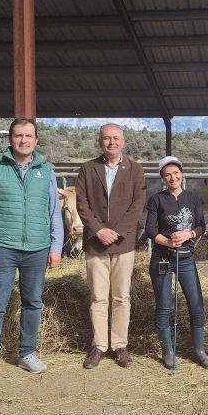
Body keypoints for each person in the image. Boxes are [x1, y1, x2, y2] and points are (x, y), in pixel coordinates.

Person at [0, 118, 63, 390]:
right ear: (10, 140)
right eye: (19, 136)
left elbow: (53, 211)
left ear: (35, 140)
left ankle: (27, 353)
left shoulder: (45, 169)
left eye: (29, 136)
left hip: (37, 248)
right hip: (2, 247)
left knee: (33, 302)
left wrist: (56, 246)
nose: (24, 140)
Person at [76, 123, 146, 369]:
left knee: (121, 297)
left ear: (123, 142)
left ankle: (119, 345)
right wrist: (98, 230)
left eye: (116, 138)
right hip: (96, 245)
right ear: (100, 142)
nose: (111, 142)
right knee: (98, 298)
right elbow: (82, 204)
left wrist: (116, 232)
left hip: (123, 244)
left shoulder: (135, 170)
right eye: (107, 138)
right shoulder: (88, 169)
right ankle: (99, 346)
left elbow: (138, 204)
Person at [145, 156, 208, 370]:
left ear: (181, 174)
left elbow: (202, 226)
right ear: (163, 178)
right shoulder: (157, 200)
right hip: (163, 258)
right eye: (167, 174)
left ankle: (200, 350)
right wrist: (168, 241)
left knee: (196, 305)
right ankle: (168, 351)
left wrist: (189, 234)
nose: (172, 177)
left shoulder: (193, 198)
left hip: (186, 259)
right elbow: (150, 230)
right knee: (164, 306)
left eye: (175, 173)